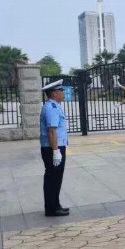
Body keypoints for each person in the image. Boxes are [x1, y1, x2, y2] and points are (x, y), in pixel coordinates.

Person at [40, 79, 70, 217]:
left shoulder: (54, 105)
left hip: (55, 147)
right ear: (54, 93)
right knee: (53, 178)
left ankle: (55, 205)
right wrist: (56, 151)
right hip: (53, 148)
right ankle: (51, 208)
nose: (63, 93)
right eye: (61, 91)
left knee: (56, 178)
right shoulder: (51, 108)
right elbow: (52, 131)